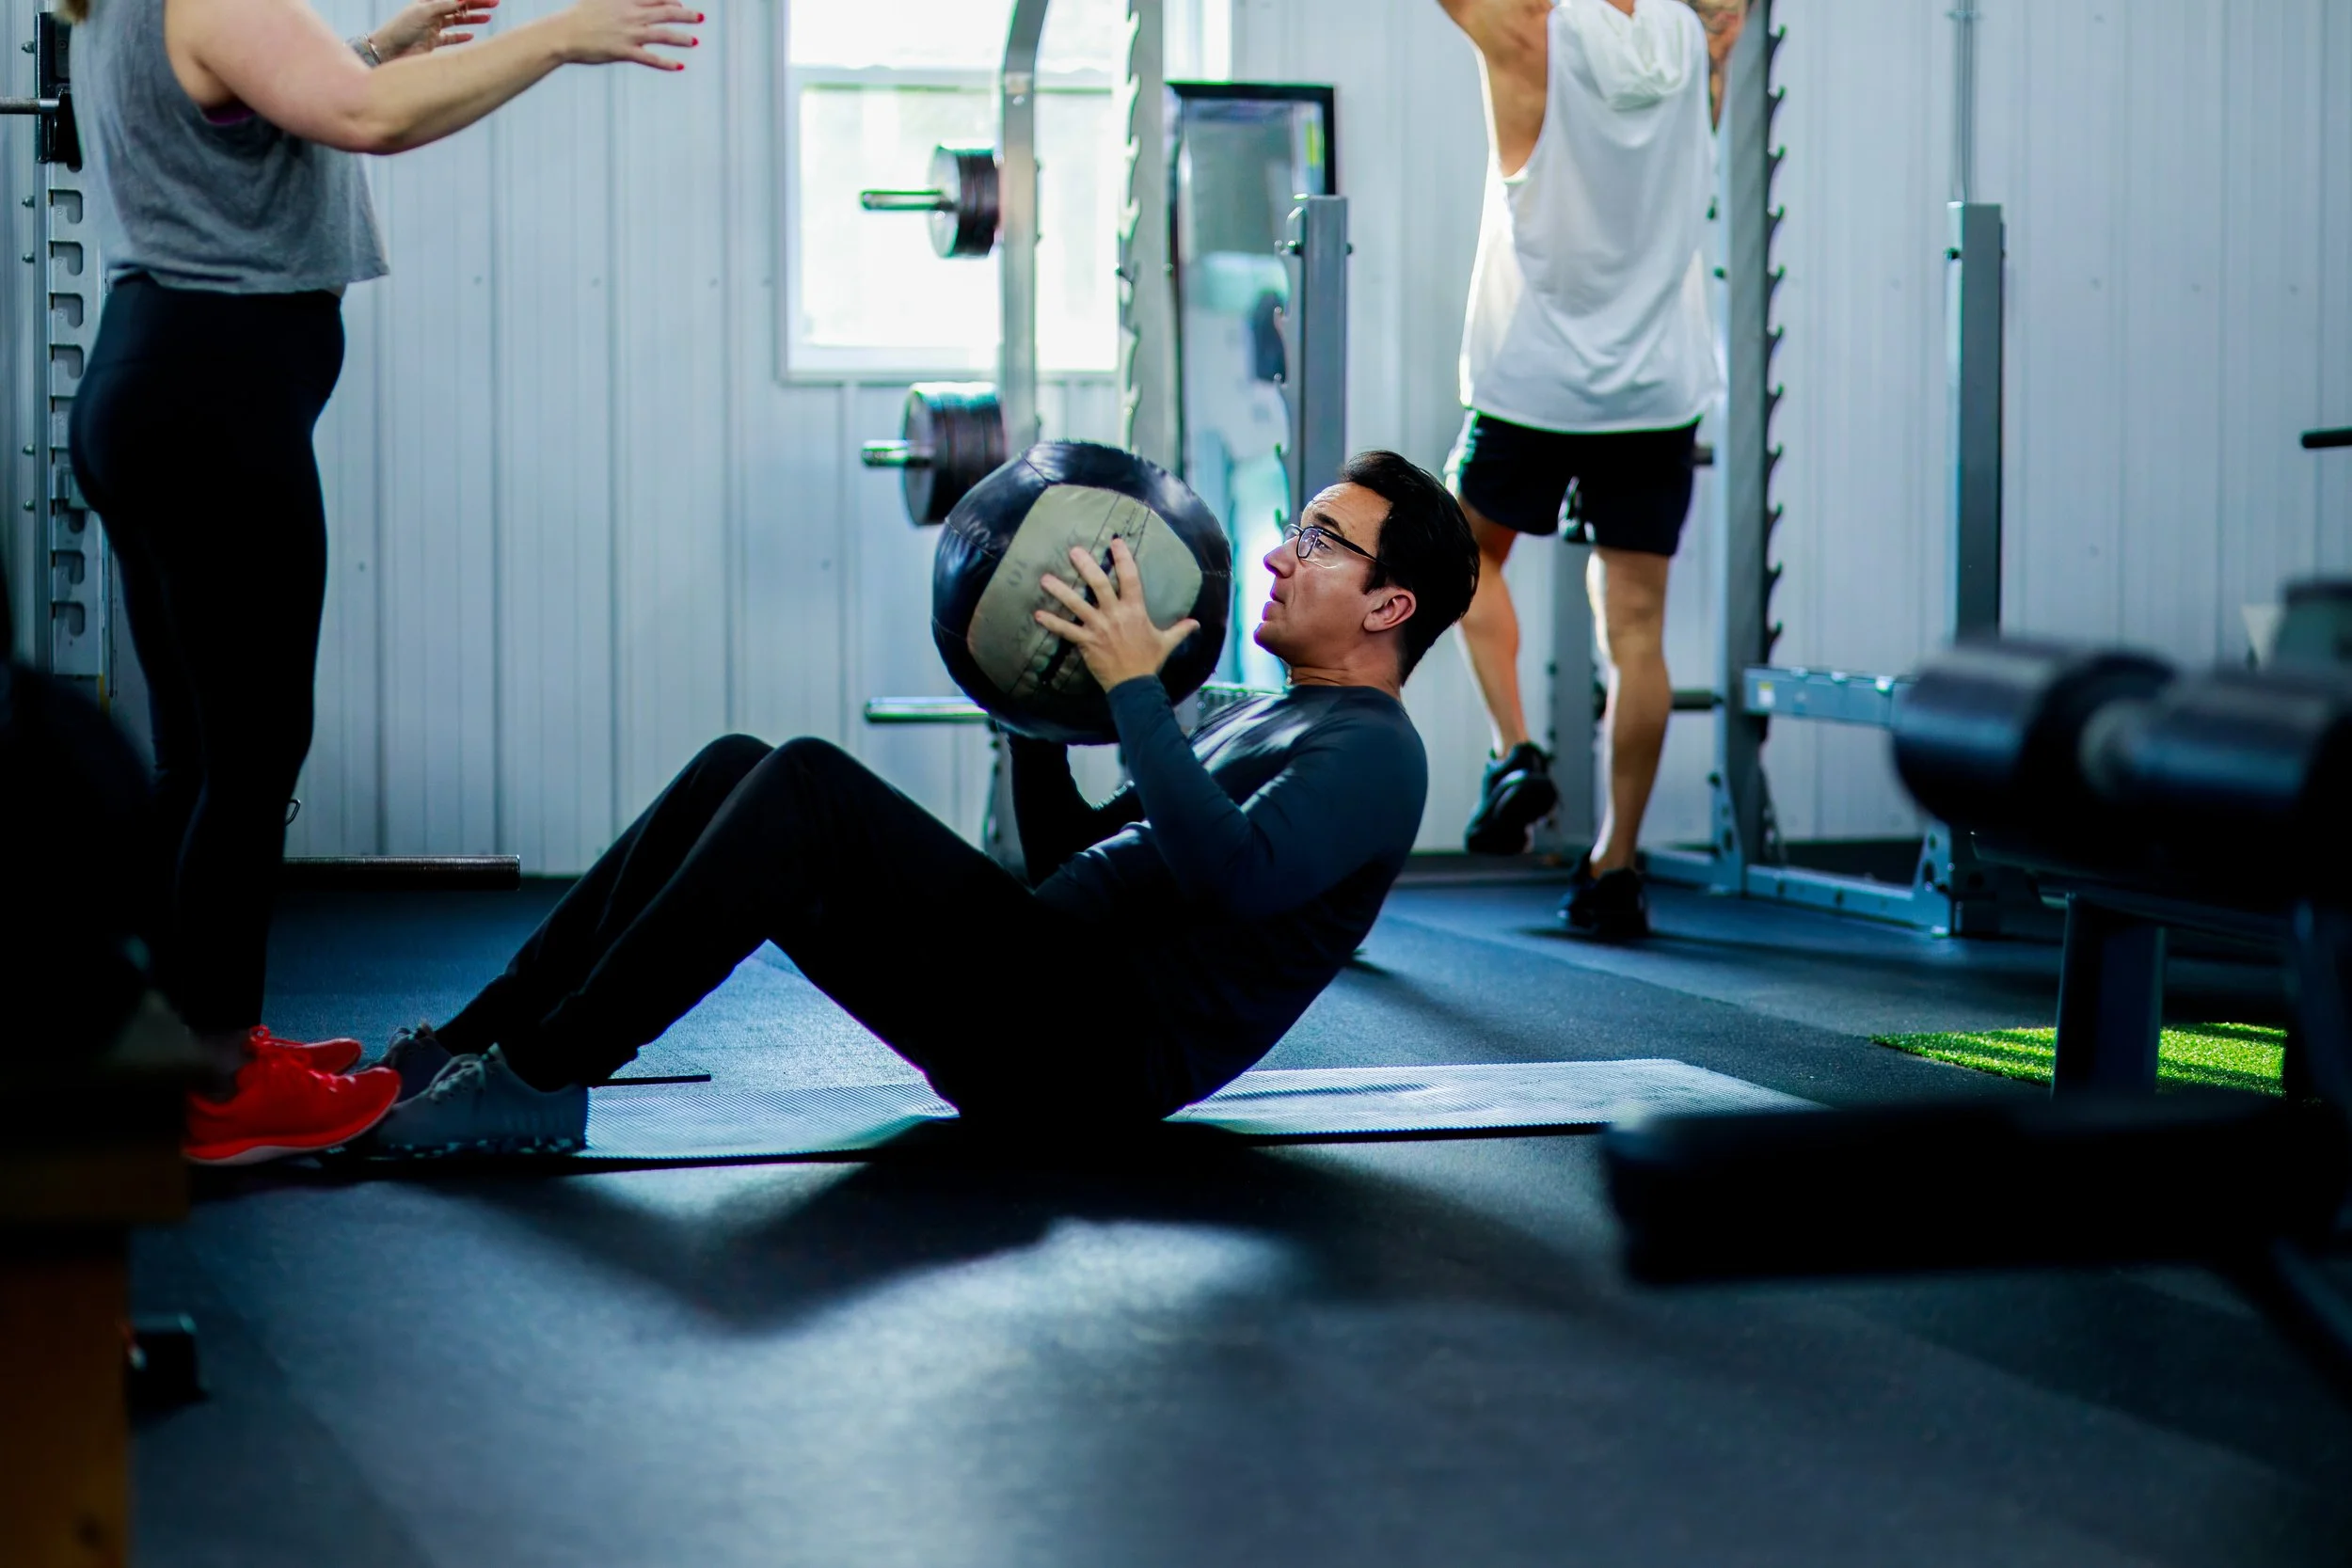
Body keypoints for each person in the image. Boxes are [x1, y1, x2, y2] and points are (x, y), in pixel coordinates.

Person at [365, 452, 1481, 1156]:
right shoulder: (1255, 710)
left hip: (1085, 1060)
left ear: (1391, 600)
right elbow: (1083, 858)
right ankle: (473, 1044)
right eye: (1299, 525)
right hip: (1041, 983)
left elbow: (1232, 877)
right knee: (733, 764)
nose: (1283, 553)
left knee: (804, 781)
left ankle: (542, 1079)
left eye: (1322, 541)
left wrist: (1137, 687)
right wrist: (1037, 702)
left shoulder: (1377, 753)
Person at [65, 0, 701, 1164]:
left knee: (202, 760)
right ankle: (216, 1086)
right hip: (213, 399)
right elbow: (363, 120)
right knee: (253, 756)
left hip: (155, 378)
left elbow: (278, 99)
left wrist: (373, 48)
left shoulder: (119, 7)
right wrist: (561, 37)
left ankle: (197, 1047)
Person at [1438, 0, 1742, 942]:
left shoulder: (1527, 33)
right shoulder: (1706, 37)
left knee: (1459, 557)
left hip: (1533, 372)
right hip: (1654, 387)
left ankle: (1514, 750)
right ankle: (1615, 865)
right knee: (1639, 632)